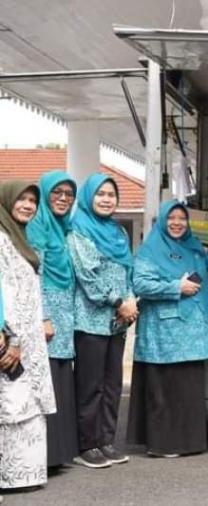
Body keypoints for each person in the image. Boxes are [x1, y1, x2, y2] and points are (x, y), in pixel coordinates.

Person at [127, 200, 208, 458]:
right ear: (162, 221)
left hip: (193, 330)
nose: (177, 223)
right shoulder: (149, 251)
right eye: (171, 218)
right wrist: (177, 287)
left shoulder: (195, 249)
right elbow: (141, 284)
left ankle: (190, 443)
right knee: (165, 388)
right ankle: (163, 444)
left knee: (188, 387)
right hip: (164, 332)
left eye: (181, 218)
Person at [68, 174, 137, 469]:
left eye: (111, 194)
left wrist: (131, 302)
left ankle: (106, 440)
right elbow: (87, 276)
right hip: (91, 320)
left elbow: (127, 271)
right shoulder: (79, 230)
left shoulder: (119, 232)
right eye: (101, 194)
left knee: (112, 384)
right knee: (90, 385)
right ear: (89, 197)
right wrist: (119, 302)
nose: (107, 199)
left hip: (117, 322)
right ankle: (87, 444)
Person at [0, 180, 56, 490]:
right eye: (20, 199)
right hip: (12, 339)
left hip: (28, 338)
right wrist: (15, 337)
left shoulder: (16, 237)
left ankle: (23, 474)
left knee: (25, 403)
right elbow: (4, 292)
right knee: (12, 403)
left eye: (32, 201)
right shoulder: (1, 239)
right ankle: (9, 474)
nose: (27, 205)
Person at [26, 171, 79, 469]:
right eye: (56, 192)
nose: (62, 198)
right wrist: (43, 317)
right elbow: (36, 274)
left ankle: (57, 454)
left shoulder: (64, 227)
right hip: (47, 315)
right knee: (45, 382)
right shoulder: (38, 226)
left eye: (68, 194)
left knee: (59, 381)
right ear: (46, 195)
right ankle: (43, 456)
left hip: (65, 316)